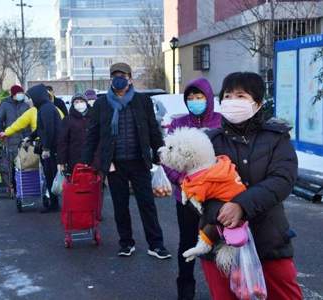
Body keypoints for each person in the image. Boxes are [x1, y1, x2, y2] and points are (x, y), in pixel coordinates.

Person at [202, 72, 302, 299]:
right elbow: (196, 188)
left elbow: (282, 180)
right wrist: (220, 212)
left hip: (269, 237)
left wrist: (241, 206)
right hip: (220, 241)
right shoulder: (209, 141)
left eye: (241, 95)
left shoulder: (276, 138)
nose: (233, 101)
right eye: (228, 96)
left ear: (257, 103)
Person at [81, 62, 171, 259]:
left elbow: (152, 129)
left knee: (147, 204)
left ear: (130, 78)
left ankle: (156, 244)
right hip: (115, 163)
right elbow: (93, 133)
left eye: (122, 75)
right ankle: (126, 243)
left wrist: (159, 152)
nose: (118, 79)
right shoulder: (102, 104)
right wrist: (86, 160)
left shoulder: (142, 101)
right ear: (111, 79)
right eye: (115, 76)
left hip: (139, 161)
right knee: (120, 205)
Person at [163, 77, 221, 299]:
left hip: (216, 197)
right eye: (190, 98)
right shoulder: (179, 124)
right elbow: (167, 159)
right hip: (186, 197)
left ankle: (222, 288)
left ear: (208, 98)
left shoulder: (221, 123)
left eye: (199, 97)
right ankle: (185, 290)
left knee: (217, 242)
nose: (195, 101)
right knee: (187, 242)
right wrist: (181, 180)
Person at [26, 84, 62, 213]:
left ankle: (54, 204)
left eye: (30, 98)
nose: (28, 101)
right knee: (49, 175)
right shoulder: (44, 108)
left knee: (51, 175)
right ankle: (53, 203)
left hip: (52, 148)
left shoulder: (46, 109)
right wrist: (30, 137)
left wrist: (46, 148)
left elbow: (49, 129)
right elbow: (41, 128)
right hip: (51, 146)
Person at [57, 93, 93, 174]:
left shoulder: (94, 117)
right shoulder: (67, 120)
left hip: (93, 159)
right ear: (72, 104)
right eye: (76, 102)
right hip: (74, 160)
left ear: (86, 103)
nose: (79, 104)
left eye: (81, 101)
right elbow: (62, 142)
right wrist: (61, 161)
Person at [0, 85, 29, 161]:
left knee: (24, 159)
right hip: (10, 136)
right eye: (19, 93)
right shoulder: (5, 105)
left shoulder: (25, 105)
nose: (21, 95)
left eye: (22, 93)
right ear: (14, 94)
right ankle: (12, 172)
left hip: (24, 135)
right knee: (11, 159)